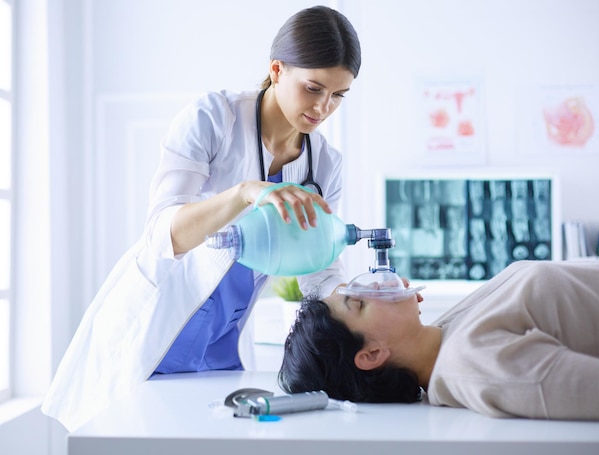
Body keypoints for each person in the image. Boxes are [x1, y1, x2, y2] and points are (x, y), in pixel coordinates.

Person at [42, 5, 361, 432]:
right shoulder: (215, 118)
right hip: (152, 329)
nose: (324, 107)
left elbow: (318, 270)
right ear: (278, 69)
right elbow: (163, 235)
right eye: (313, 88)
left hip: (221, 343)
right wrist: (246, 191)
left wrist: (365, 300)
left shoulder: (324, 164)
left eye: (338, 95)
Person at [278, 260, 599, 421]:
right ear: (372, 355)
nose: (372, 283)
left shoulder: (446, 331)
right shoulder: (474, 364)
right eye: (360, 301)